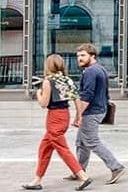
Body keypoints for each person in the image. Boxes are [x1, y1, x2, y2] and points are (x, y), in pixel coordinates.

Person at [24, 54, 92, 191]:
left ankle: (82, 176)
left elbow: (43, 103)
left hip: (54, 117)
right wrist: (78, 116)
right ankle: (37, 180)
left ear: (48, 66)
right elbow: (77, 99)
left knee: (62, 149)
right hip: (65, 115)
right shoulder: (66, 80)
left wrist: (38, 93)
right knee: (44, 148)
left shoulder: (48, 81)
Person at [72, 44, 125, 185]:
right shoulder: (100, 69)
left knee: (92, 142)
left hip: (91, 112)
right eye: (78, 56)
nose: (79, 58)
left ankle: (116, 167)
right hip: (98, 109)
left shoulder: (90, 71)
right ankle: (79, 170)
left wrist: (78, 116)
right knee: (81, 142)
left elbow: (87, 96)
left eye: (83, 55)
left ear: (92, 56)